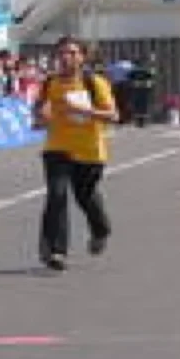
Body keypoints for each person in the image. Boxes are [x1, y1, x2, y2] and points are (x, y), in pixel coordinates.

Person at [33, 36, 118, 271]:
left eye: (72, 53)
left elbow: (113, 116)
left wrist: (85, 110)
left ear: (82, 56)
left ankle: (100, 229)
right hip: (57, 147)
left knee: (85, 196)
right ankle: (56, 250)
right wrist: (41, 117)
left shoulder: (94, 82)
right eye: (61, 53)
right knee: (56, 195)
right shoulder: (50, 82)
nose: (66, 57)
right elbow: (39, 112)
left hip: (89, 150)